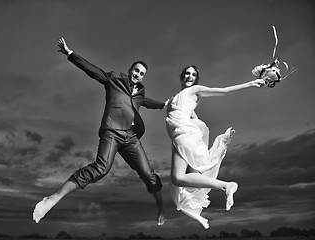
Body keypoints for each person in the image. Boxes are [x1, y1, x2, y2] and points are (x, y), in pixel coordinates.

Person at [33, 37, 166, 225]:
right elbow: (92, 70)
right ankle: (53, 198)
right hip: (112, 132)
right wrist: (70, 54)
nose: (138, 74)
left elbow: (150, 102)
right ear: (130, 70)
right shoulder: (114, 79)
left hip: (131, 138)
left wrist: (166, 105)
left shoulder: (140, 94)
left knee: (148, 173)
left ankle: (161, 208)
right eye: (136, 70)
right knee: (101, 168)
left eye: (141, 73)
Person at [165, 65, 265, 229]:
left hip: (184, 135)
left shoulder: (195, 90)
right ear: (182, 76)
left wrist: (251, 84)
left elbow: (223, 91)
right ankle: (225, 186)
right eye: (187, 73)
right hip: (182, 135)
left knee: (178, 178)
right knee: (183, 178)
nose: (190, 76)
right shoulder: (179, 96)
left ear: (196, 79)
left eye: (194, 74)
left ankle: (226, 186)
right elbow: (194, 119)